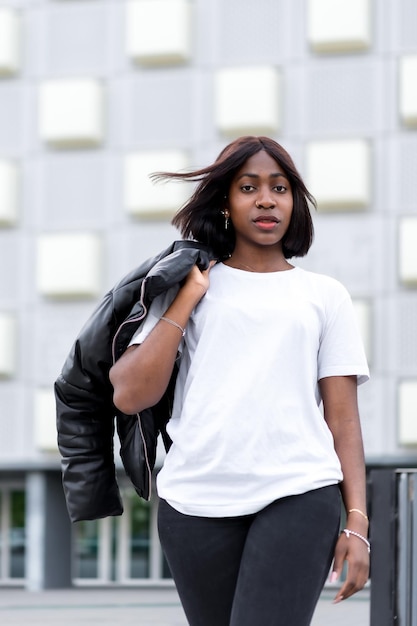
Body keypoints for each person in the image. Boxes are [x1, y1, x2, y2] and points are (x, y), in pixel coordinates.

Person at [109, 136, 370, 626]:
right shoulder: (183, 284)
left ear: (295, 202)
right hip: (194, 502)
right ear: (226, 203)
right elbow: (129, 393)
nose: (266, 199)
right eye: (248, 187)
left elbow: (343, 420)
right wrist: (189, 298)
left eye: (280, 188)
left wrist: (357, 522)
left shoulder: (324, 296)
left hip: (298, 490)